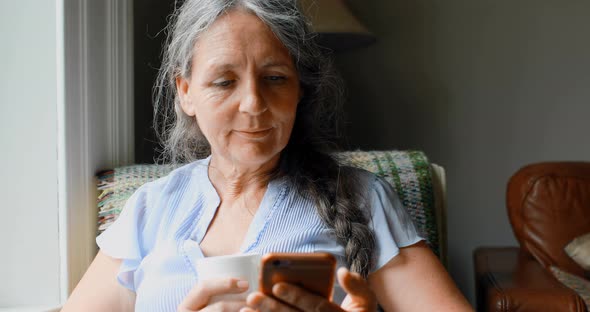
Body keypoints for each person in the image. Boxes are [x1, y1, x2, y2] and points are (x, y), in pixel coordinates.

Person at [62, 0, 473, 311]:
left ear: (300, 90)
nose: (254, 104)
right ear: (186, 92)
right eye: (224, 81)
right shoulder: (150, 209)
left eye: (275, 78)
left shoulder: (363, 198)